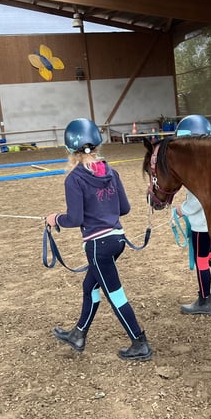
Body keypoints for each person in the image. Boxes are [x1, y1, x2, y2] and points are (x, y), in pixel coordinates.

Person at [45, 118, 152, 361]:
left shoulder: (74, 178)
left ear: (70, 148)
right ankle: (79, 334)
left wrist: (55, 219)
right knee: (89, 286)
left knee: (116, 295)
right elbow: (124, 208)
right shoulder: (111, 172)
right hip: (117, 240)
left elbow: (74, 218)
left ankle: (140, 342)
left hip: (97, 247)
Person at [173, 114, 211, 315]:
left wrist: (182, 210)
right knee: (206, 255)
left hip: (202, 223)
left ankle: (204, 300)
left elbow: (198, 199)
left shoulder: (199, 167)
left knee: (201, 261)